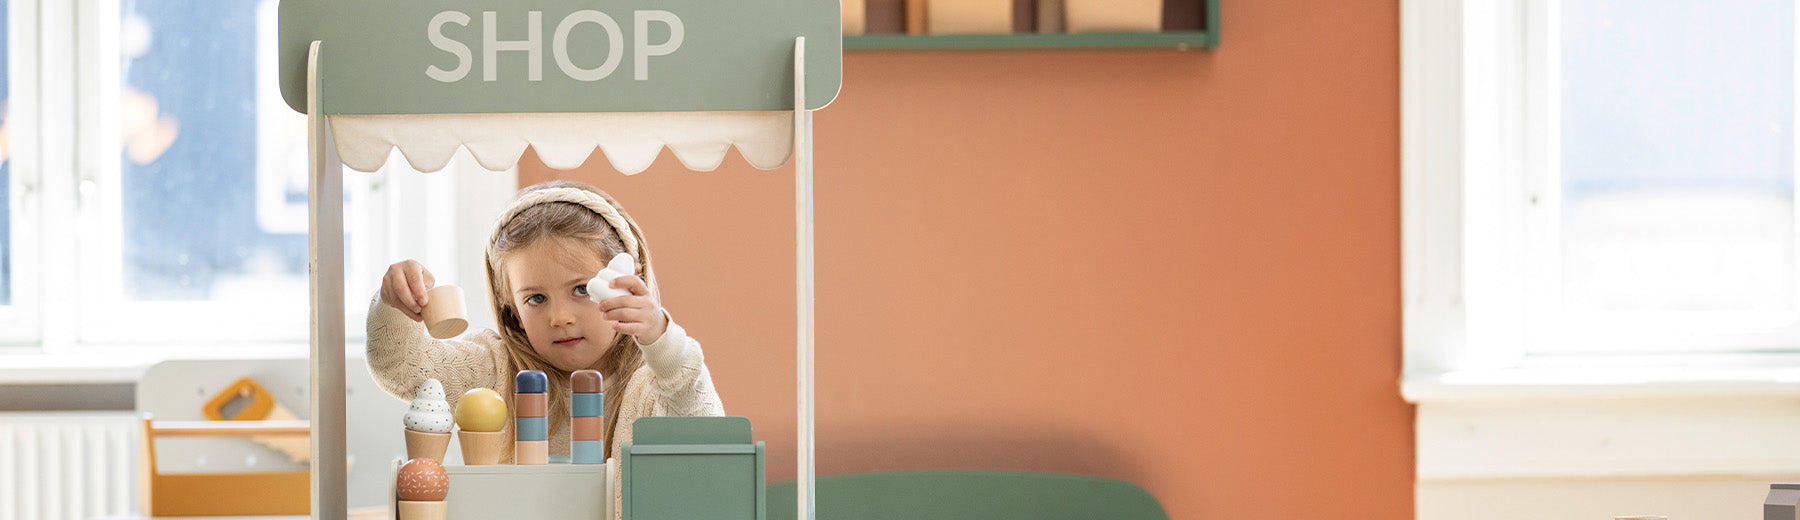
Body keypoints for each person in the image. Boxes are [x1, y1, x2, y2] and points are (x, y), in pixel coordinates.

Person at [366, 180, 725, 469]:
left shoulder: (652, 383)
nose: (560, 318)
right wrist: (395, 304)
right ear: (512, 310)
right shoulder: (495, 369)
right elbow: (403, 369)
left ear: (629, 281)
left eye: (582, 289)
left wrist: (661, 340)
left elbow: (703, 430)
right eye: (536, 299)